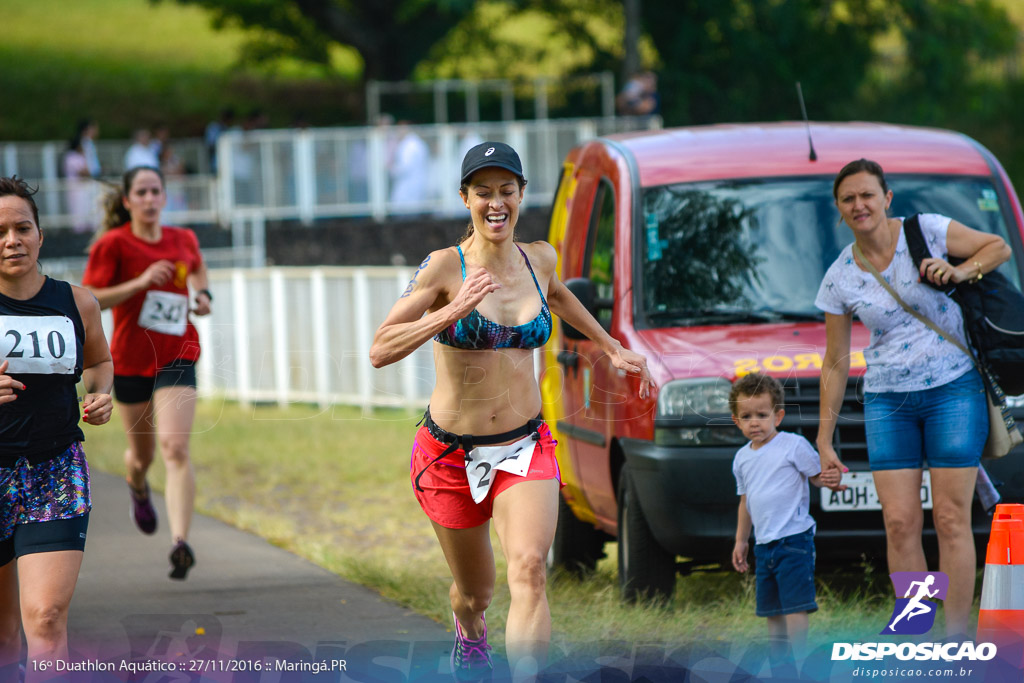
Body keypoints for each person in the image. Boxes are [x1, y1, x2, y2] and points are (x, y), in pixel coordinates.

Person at [370, 142, 651, 681]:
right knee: (475, 593)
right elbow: (380, 349)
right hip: (449, 455)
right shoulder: (443, 266)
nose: (495, 203)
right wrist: (452, 310)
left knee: (529, 571)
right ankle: (469, 631)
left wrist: (611, 345)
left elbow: (561, 297)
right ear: (465, 198)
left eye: (507, 191)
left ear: (521, 195)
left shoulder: (538, 258)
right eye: (483, 193)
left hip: (524, 447)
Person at [815, 158, 1011, 637]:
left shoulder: (928, 231)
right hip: (888, 401)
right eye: (848, 199)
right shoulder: (840, 275)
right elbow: (836, 361)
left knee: (949, 516)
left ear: (887, 199)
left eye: (867, 195)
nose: (859, 205)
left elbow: (999, 246)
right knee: (900, 522)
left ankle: (957, 635)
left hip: (953, 389)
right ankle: (917, 630)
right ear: (839, 210)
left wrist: (960, 271)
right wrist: (824, 439)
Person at [0, 176, 113, 679]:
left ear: (40, 235)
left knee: (45, 619)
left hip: (55, 470)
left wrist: (100, 392)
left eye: (22, 227)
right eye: (0, 231)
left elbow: (100, 362)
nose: (11, 240)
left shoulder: (77, 302)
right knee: (3, 633)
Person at [81, 166, 212, 580]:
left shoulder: (183, 239)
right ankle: (137, 484)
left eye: (157, 191)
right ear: (127, 201)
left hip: (177, 353)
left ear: (164, 197)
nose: (151, 199)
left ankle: (180, 544)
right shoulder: (113, 245)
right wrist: (138, 282)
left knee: (175, 448)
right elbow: (91, 299)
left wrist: (203, 295)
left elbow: (197, 271)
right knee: (143, 456)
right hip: (131, 359)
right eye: (142, 192)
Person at [730, 373, 838, 660]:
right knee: (771, 608)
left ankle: (801, 661)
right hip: (764, 545)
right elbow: (746, 501)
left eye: (762, 415)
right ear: (736, 421)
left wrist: (830, 479)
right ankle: (781, 665)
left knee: (795, 605)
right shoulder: (741, 459)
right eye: (747, 416)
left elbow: (816, 477)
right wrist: (742, 540)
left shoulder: (793, 445)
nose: (755, 422)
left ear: (778, 416)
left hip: (794, 540)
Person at [62, 126, 95, 233]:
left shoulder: (79, 156)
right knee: (77, 208)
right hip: (75, 187)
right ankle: (78, 229)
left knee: (86, 207)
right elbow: (84, 172)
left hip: (83, 187)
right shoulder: (71, 157)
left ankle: (86, 227)